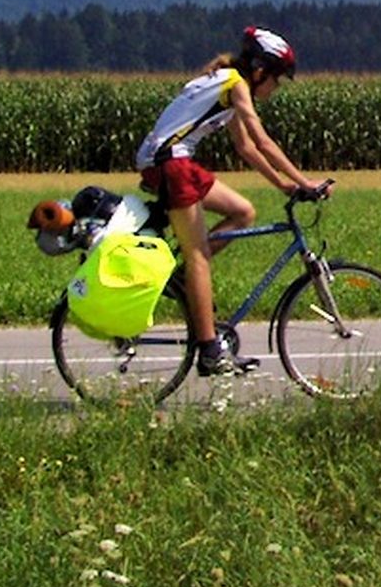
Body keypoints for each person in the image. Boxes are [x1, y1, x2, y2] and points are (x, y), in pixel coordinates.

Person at [135, 27, 326, 376]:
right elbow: (263, 140)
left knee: (243, 212)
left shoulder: (229, 83)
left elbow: (246, 148)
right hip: (171, 163)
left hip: (176, 162)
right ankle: (210, 350)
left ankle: (185, 282)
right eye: (277, 80)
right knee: (199, 255)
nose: (276, 88)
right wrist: (305, 182)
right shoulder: (235, 83)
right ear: (260, 71)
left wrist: (285, 186)